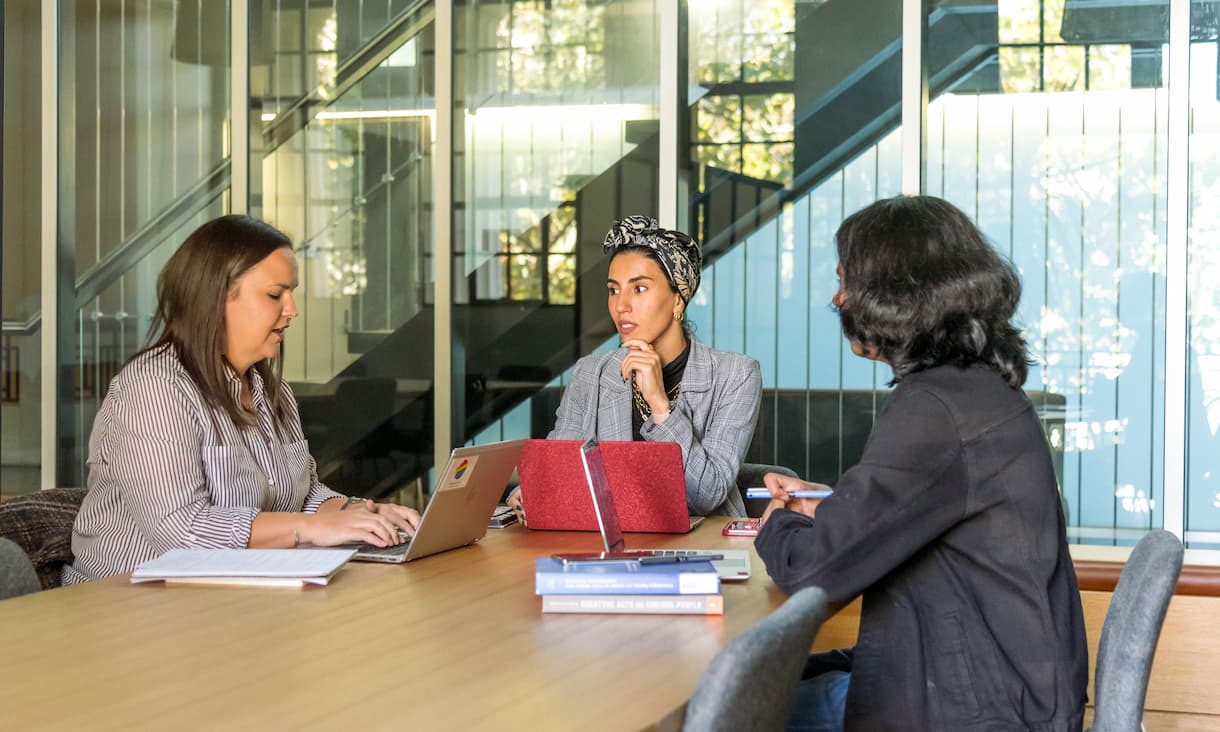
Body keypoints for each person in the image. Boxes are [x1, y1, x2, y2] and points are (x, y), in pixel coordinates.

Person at [754, 196, 1088, 731]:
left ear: (893, 293)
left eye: (846, 281)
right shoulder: (973, 388)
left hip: (979, 708)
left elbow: (812, 570)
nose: (837, 298)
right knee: (755, 683)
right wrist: (834, 507)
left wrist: (776, 525)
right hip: (1006, 685)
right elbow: (911, 510)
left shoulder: (933, 409)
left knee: (721, 711)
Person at [64, 215, 420, 584]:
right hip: (129, 606)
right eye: (274, 294)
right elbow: (183, 532)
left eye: (292, 293)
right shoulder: (154, 388)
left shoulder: (271, 391)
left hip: (229, 595)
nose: (292, 310)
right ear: (217, 298)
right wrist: (310, 529)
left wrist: (364, 514)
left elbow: (304, 494)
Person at [507, 215, 761, 518]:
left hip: (702, 550)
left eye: (639, 289)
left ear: (678, 300)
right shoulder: (591, 374)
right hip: (610, 548)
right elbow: (559, 469)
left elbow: (706, 496)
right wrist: (531, 490)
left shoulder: (736, 375)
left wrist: (660, 407)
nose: (621, 305)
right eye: (614, 290)